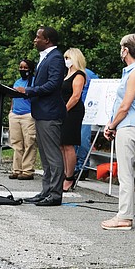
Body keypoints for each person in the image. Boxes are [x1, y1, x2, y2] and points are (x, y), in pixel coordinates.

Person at [100, 33, 135, 231]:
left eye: (122, 48)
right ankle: (123, 213)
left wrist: (112, 125)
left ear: (126, 50)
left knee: (125, 173)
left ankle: (125, 216)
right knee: (124, 171)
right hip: (123, 125)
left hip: (129, 125)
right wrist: (112, 124)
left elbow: (125, 105)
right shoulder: (130, 72)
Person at [17, 26, 66, 207]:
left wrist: (29, 90)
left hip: (50, 113)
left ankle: (55, 193)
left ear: (47, 40)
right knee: (45, 157)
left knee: (53, 156)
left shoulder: (56, 58)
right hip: (41, 113)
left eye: (38, 37)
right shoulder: (45, 57)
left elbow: (53, 84)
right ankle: (46, 191)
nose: (34, 40)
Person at [60, 48, 87, 192]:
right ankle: (64, 173)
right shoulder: (66, 74)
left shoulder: (79, 75)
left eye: (68, 57)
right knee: (61, 144)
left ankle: (70, 177)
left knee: (68, 144)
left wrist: (64, 109)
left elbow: (76, 96)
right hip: (63, 110)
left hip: (72, 111)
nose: (66, 60)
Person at [8, 59, 37, 180]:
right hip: (15, 114)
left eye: (25, 68)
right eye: (21, 67)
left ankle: (27, 170)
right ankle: (17, 169)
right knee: (16, 143)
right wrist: (11, 111)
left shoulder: (34, 81)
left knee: (29, 142)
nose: (23, 70)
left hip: (28, 115)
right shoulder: (17, 81)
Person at [75, 67, 99, 179]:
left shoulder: (89, 74)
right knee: (72, 142)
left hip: (86, 112)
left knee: (83, 141)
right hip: (73, 111)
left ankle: (82, 168)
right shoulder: (68, 73)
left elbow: (99, 89)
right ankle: (74, 167)